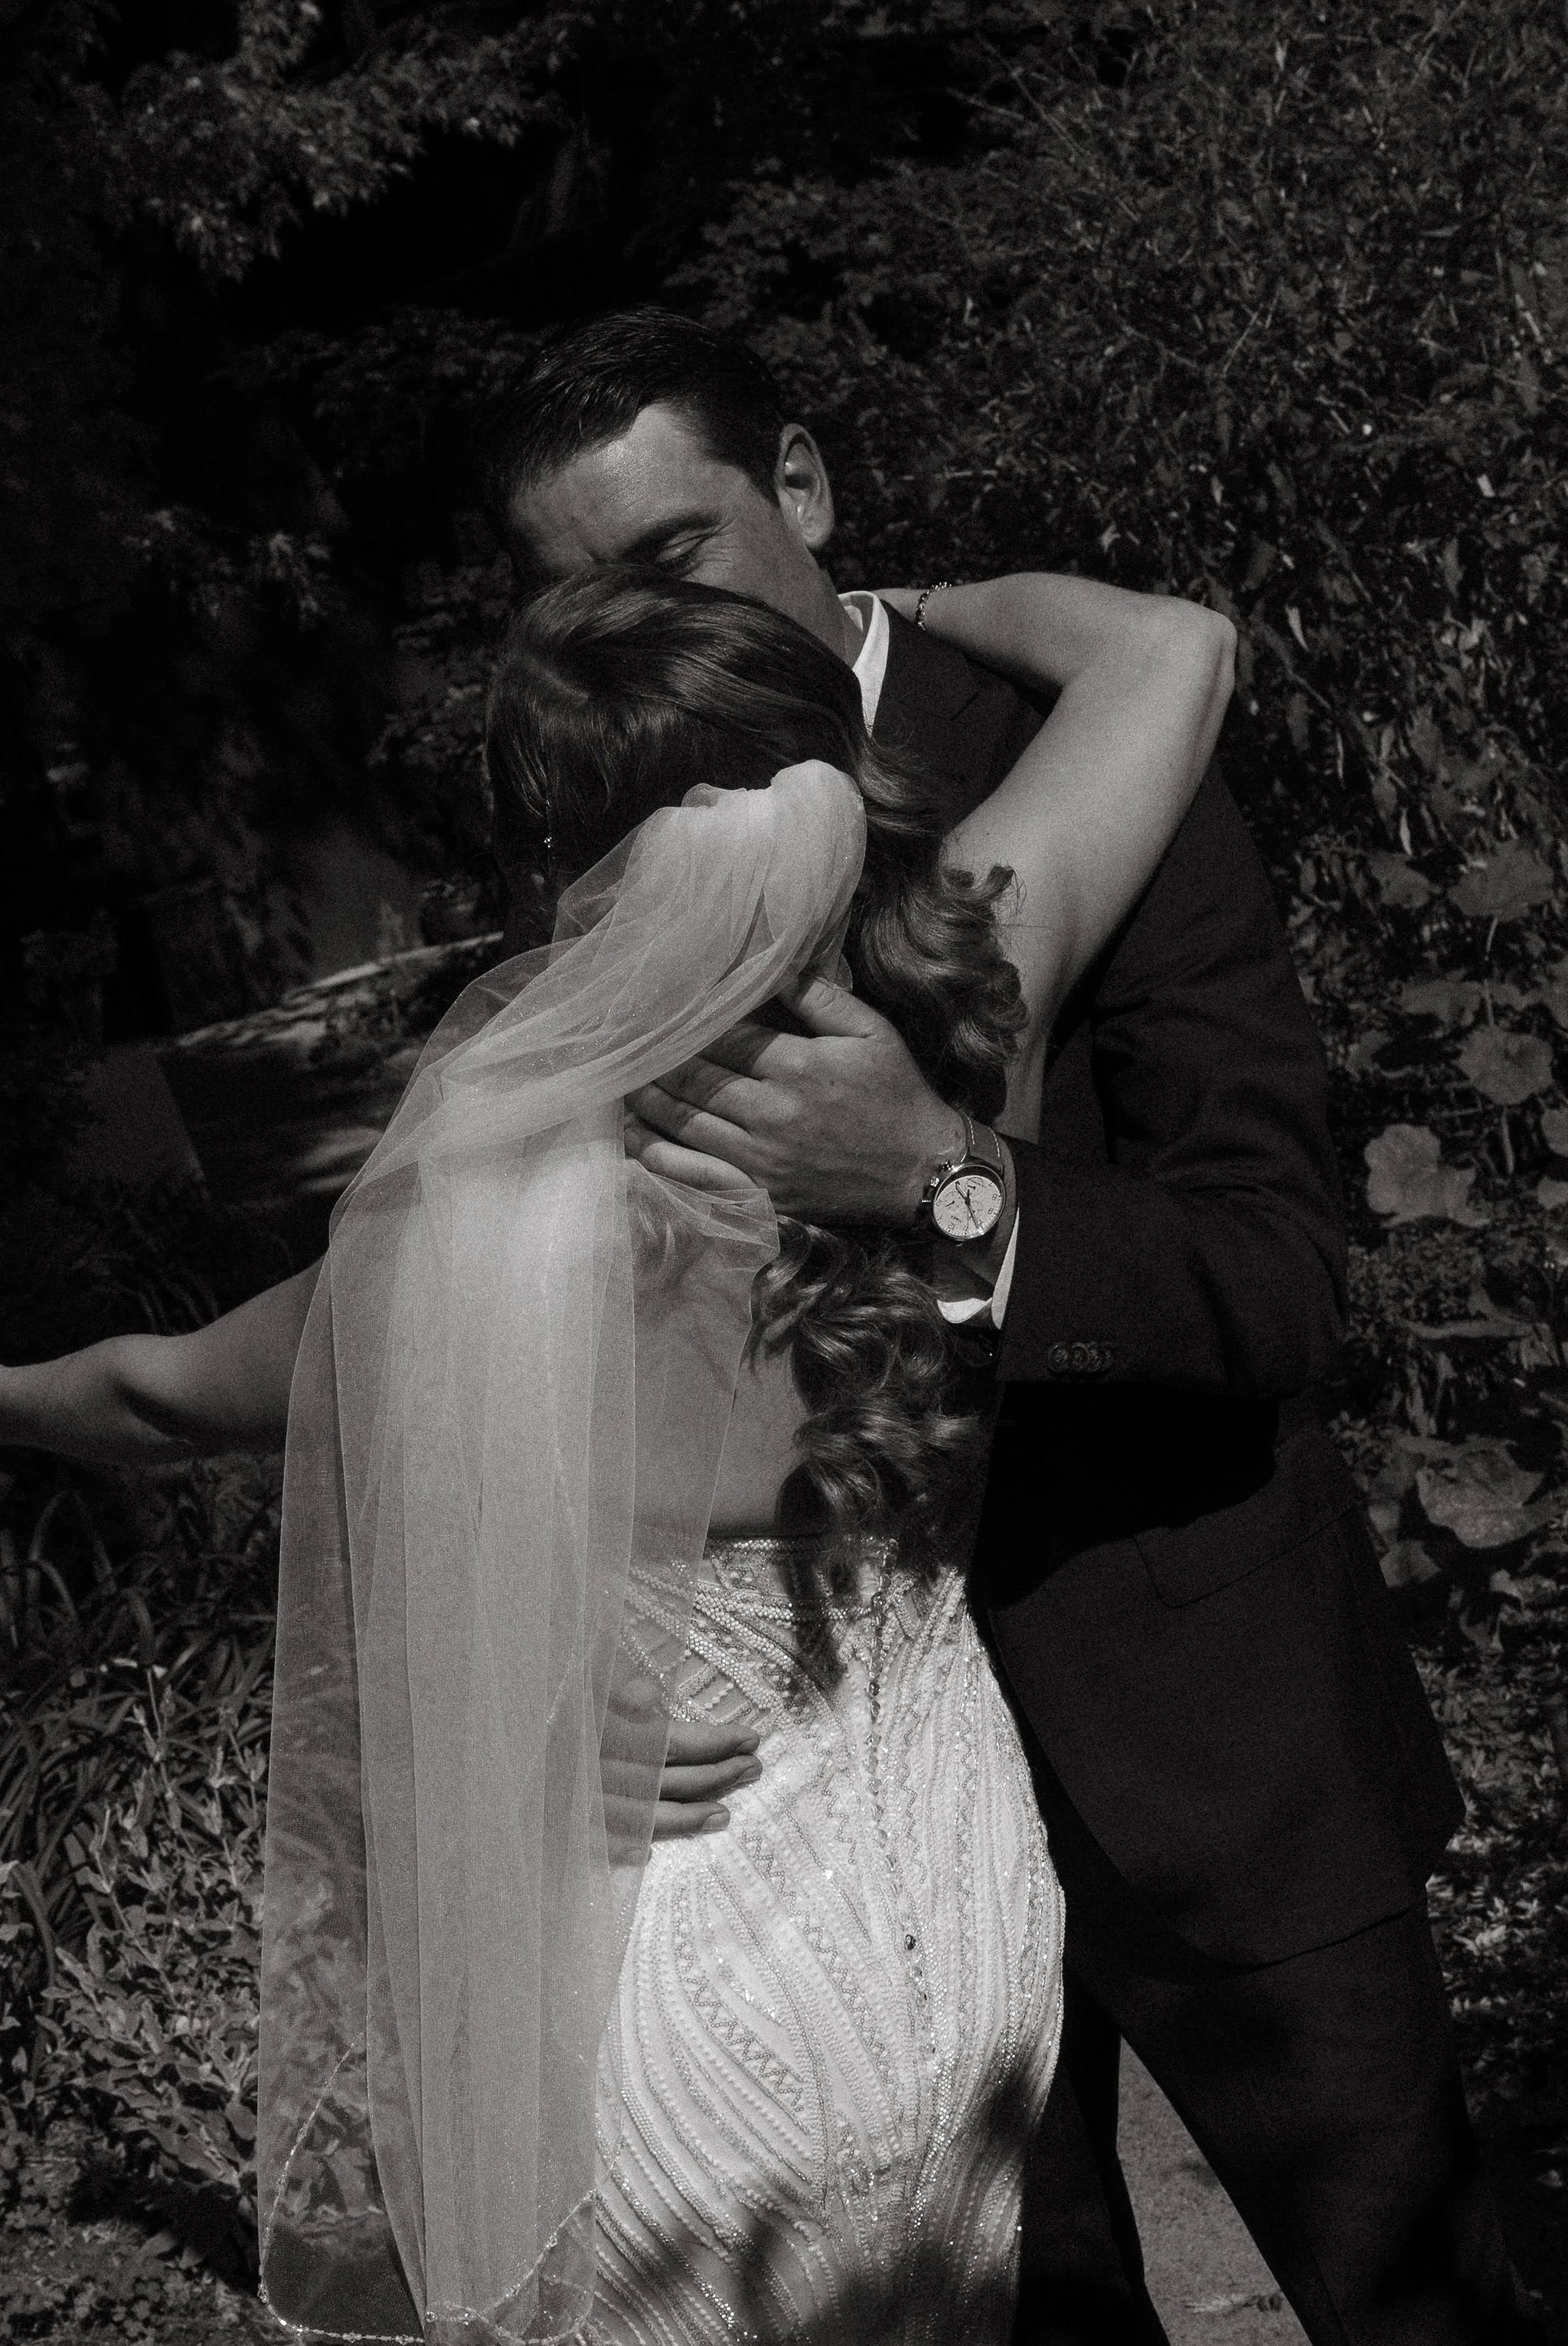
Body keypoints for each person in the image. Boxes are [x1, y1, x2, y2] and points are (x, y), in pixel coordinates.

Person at [0, 561, 1236, 2341]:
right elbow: (1171, 649)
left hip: (687, 1995)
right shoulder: (964, 1031)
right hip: (964, 1942)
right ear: (835, 778)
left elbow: (156, 1395)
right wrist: (872, 590)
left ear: (553, 873)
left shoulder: (490, 1214)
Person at [486, 309, 1537, 2346]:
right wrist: (583, 1650)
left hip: (1211, 1751)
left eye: (675, 554)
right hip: (862, 1822)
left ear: (801, 490)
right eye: (579, 590)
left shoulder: (1083, 754)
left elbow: (1276, 1278)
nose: (636, 623)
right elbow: (576, 1322)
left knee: (1422, 2313)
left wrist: (947, 1181)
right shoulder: (608, 815)